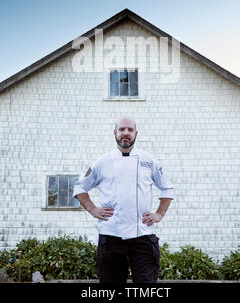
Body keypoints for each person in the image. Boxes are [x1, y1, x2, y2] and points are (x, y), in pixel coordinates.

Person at [73, 116, 174, 285]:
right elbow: (80, 188)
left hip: (143, 234)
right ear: (115, 133)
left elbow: (167, 188)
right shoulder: (101, 162)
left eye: (130, 130)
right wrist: (93, 210)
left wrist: (160, 213)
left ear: (136, 133)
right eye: (121, 129)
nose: (125, 133)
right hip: (111, 234)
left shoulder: (149, 161)